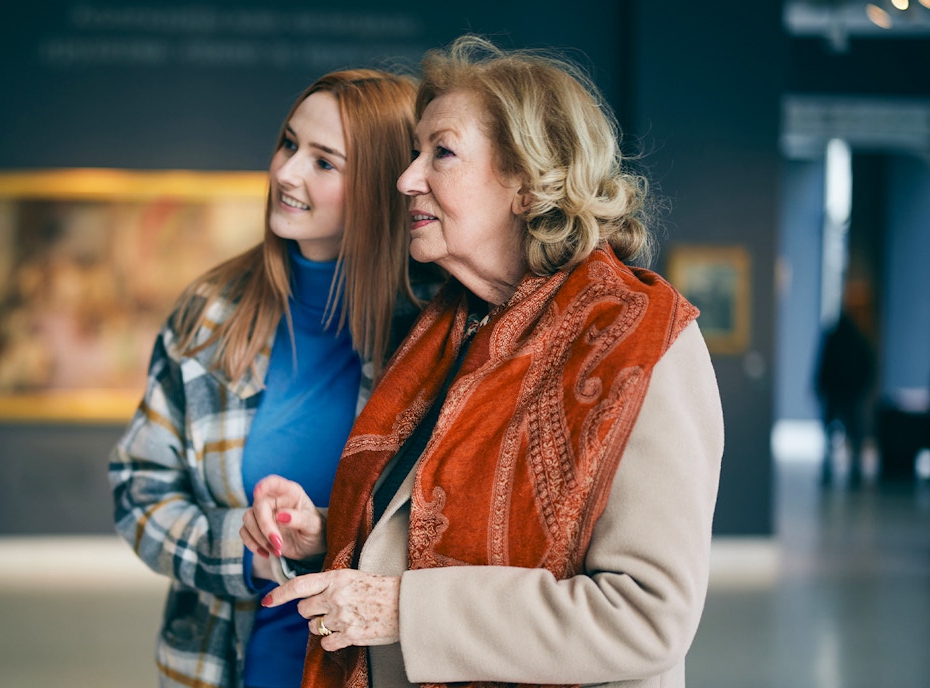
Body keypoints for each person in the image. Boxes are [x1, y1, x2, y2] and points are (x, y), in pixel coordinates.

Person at [241, 35, 725, 688]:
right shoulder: (451, 328)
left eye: (440, 153)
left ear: (528, 183)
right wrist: (325, 536)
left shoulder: (641, 342)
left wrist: (404, 610)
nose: (406, 178)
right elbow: (436, 532)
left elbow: (646, 617)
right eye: (415, 152)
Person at [109, 68, 436, 688]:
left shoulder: (434, 332)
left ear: (379, 185)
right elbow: (139, 490)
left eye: (323, 162)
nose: (286, 172)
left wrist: (328, 537)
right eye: (288, 144)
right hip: (222, 667)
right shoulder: (211, 311)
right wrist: (246, 548)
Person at [814, 308, 875, 487]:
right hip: (847, 394)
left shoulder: (836, 340)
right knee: (851, 434)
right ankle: (853, 471)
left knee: (836, 434)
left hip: (840, 393)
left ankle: (834, 470)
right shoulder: (857, 340)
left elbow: (823, 365)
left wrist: (820, 387)